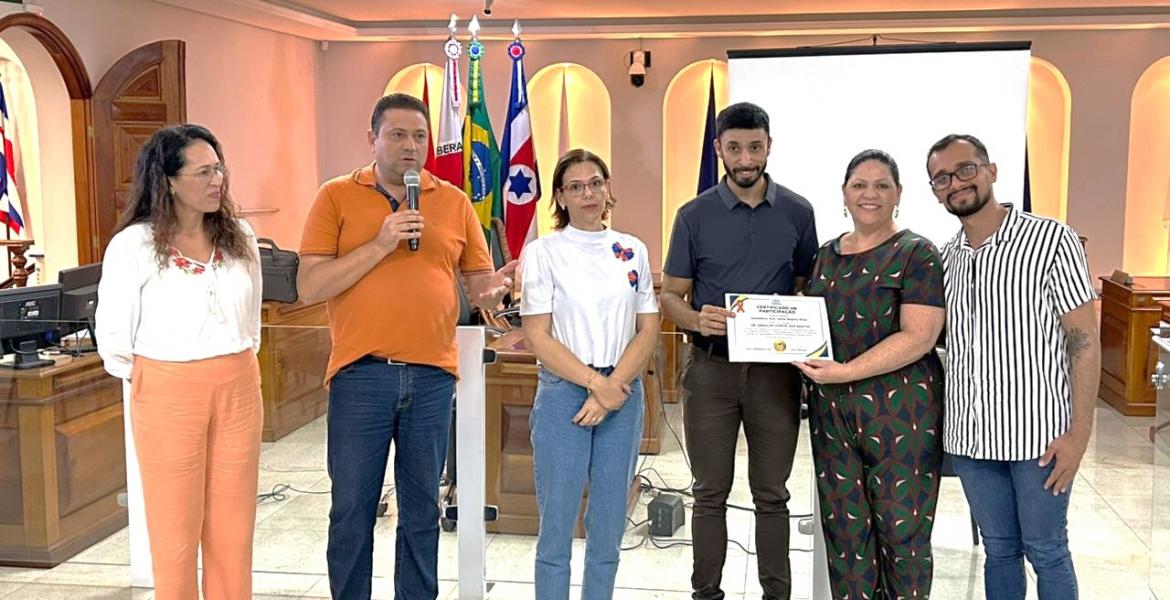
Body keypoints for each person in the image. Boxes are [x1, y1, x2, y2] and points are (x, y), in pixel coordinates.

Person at [297, 92, 515, 600]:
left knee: (422, 512)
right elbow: (310, 286)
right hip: (360, 376)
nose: (411, 146)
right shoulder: (334, 196)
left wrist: (496, 287)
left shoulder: (454, 200)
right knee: (351, 509)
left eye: (419, 136)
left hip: (432, 377)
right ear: (371, 139)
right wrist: (380, 243)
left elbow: (476, 281)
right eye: (397, 135)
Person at [927, 134, 1100, 599]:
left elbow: (1083, 341)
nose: (955, 184)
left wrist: (1079, 433)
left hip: (1038, 440)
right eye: (941, 178)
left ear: (991, 171)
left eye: (965, 169)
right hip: (971, 438)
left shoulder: (1050, 240)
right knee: (1000, 550)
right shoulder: (945, 260)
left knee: (1046, 550)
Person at [96, 124, 262, 600]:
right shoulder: (133, 246)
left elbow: (251, 318)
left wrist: (231, 359)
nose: (218, 180)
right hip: (167, 386)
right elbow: (115, 337)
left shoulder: (240, 237)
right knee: (175, 528)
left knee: (233, 525)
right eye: (204, 171)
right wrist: (161, 377)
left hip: (237, 382)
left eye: (220, 169)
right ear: (167, 180)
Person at [660, 102, 818, 600]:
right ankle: (705, 593)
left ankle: (778, 595)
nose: (745, 158)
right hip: (710, 372)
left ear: (769, 145)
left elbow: (804, 288)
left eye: (754, 146)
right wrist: (693, 317)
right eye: (734, 148)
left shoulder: (799, 211)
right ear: (719, 150)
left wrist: (796, 317)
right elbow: (669, 296)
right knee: (709, 494)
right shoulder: (694, 215)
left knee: (772, 494)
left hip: (776, 377)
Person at [796, 149, 945, 599]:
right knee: (845, 537)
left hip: (901, 416)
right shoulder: (825, 256)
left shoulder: (917, 253)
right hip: (832, 416)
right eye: (860, 184)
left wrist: (845, 372)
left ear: (898, 194)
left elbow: (920, 336)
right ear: (844, 193)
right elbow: (807, 327)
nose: (870, 194)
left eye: (882, 185)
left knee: (903, 538)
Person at [520, 149, 660, 600]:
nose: (588, 194)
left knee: (607, 525)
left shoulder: (632, 249)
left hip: (622, 392)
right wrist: (596, 385)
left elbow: (649, 327)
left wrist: (611, 388)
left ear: (607, 188)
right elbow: (537, 336)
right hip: (566, 393)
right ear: (559, 195)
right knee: (557, 525)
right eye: (576, 186)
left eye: (596, 183)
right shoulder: (544, 253)